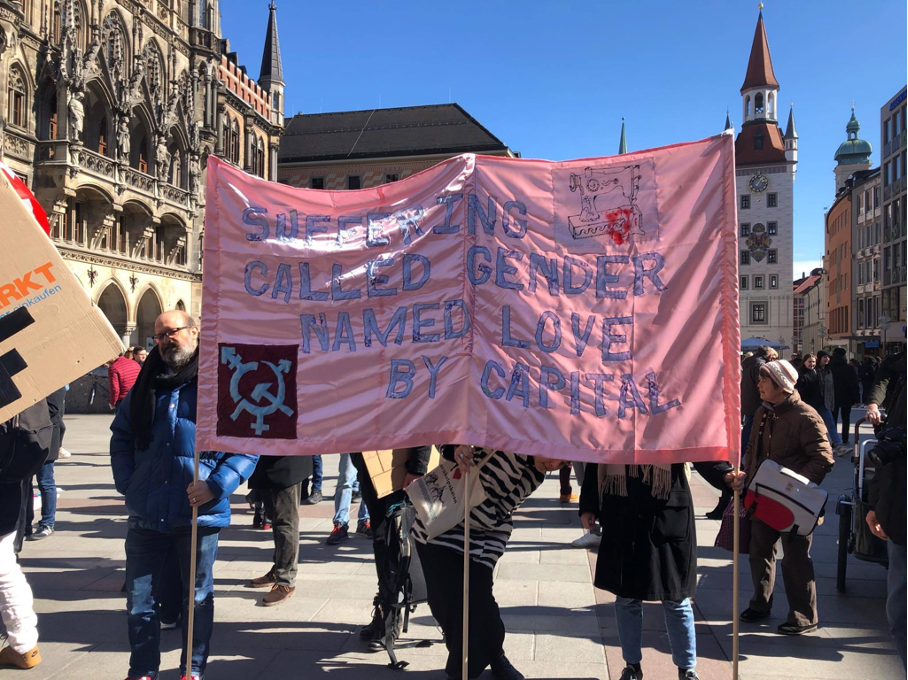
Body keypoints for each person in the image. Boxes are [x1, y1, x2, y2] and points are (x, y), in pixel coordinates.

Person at [110, 310, 257, 680]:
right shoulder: (148, 382)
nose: (163, 341)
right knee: (139, 601)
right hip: (146, 510)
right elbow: (121, 437)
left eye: (171, 333)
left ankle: (191, 669)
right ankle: (141, 670)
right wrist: (128, 484)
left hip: (198, 511)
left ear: (194, 332)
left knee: (197, 598)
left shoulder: (220, 382)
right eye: (158, 336)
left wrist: (217, 483)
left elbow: (246, 443)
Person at [413, 445, 564, 680]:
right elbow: (445, 434)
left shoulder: (538, 470)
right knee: (444, 603)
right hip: (442, 527)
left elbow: (502, 505)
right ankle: (489, 656)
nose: (555, 464)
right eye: (556, 455)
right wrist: (456, 449)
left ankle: (473, 665)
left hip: (485, 536)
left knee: (480, 602)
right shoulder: (502, 433)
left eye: (563, 463)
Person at [580, 455, 734, 680]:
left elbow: (699, 447)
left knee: (676, 597)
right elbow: (599, 450)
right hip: (621, 509)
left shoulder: (675, 418)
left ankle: (687, 669)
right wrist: (589, 504)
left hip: (667, 510)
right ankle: (632, 666)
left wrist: (724, 475)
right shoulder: (615, 417)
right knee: (626, 597)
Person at [736, 360, 834, 636]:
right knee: (759, 552)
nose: (758, 385)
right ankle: (760, 603)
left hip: (795, 505)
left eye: (764, 380)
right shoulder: (762, 412)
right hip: (763, 498)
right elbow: (754, 449)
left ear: (781, 385)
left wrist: (794, 487)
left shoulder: (806, 416)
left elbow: (823, 459)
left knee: (796, 559)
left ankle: (803, 617)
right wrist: (748, 475)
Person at [350, 447, 432, 650]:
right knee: (382, 542)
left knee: (396, 543)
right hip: (371, 468)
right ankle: (385, 609)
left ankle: (392, 615)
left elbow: (421, 419)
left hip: (401, 470)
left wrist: (417, 468)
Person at [0, 399, 52, 670]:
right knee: (4, 566)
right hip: (10, 475)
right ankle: (24, 644)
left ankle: (23, 644)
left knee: (2, 567)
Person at [864, 347, 907, 671]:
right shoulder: (898, 369)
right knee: (900, 615)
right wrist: (877, 504)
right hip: (900, 512)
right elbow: (889, 452)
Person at [245, 454, 312, 606]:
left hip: (286, 459)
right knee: (274, 517)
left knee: (285, 522)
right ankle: (278, 570)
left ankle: (285, 580)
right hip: (263, 458)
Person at [25, 386, 67, 541]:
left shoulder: (55, 382)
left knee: (45, 481)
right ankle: (25, 524)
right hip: (25, 436)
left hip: (46, 437)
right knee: (25, 482)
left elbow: (53, 408)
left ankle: (47, 523)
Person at [326, 453, 370, 545]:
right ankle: (340, 523)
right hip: (351, 443)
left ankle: (365, 520)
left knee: (369, 479)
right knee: (345, 480)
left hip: (371, 442)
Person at [813, 351, 847, 454]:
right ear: (819, 358)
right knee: (813, 425)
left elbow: (831, 388)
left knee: (830, 424)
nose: (827, 359)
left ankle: (838, 446)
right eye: (824, 357)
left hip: (825, 402)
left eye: (828, 357)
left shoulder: (828, 371)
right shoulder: (814, 371)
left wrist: (831, 401)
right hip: (813, 403)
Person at [829, 347, 860, 447]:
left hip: (833, 397)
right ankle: (845, 439)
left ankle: (835, 440)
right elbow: (854, 384)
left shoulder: (829, 367)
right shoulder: (849, 368)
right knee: (846, 418)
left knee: (833, 419)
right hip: (847, 396)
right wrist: (857, 399)